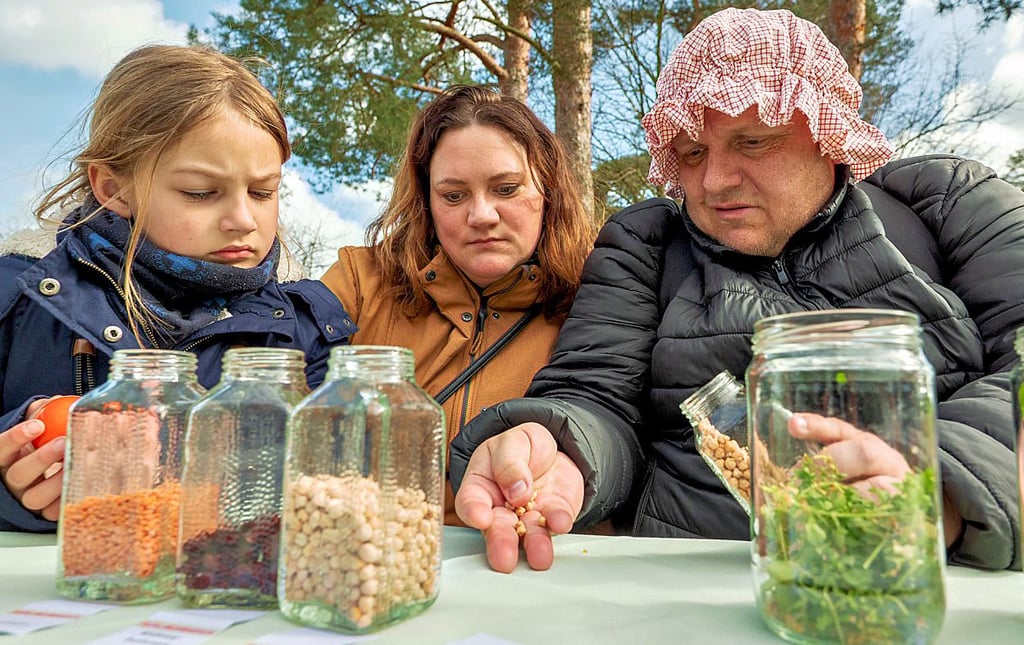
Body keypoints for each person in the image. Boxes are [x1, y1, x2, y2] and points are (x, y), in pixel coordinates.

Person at [449, 7, 1024, 573]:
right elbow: (593, 394)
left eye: (753, 141)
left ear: (827, 130)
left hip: (953, 582)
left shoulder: (951, 204)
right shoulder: (642, 244)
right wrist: (561, 453)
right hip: (691, 595)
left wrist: (938, 489)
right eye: (693, 152)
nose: (714, 181)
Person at [0, 44, 357, 532]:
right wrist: (9, 487)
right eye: (200, 193)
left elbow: (332, 494)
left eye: (262, 192)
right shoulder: (17, 299)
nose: (241, 220)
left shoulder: (304, 332)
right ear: (113, 188)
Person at [320, 85, 596, 526]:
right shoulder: (360, 281)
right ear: (426, 202)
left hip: (535, 567)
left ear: (549, 192)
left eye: (506, 188)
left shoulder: (599, 299)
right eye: (453, 195)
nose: (482, 215)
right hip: (374, 560)